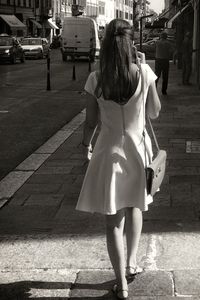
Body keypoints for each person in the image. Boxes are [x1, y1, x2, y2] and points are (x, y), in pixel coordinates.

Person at [76, 18, 161, 299]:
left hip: (108, 151)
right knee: (136, 206)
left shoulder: (96, 78)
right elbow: (154, 112)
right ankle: (132, 262)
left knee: (113, 219)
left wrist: (84, 145)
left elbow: (90, 122)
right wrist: (147, 73)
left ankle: (121, 284)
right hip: (138, 149)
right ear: (130, 43)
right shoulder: (144, 72)